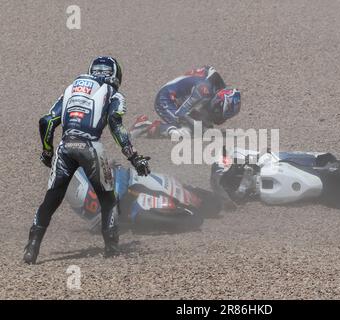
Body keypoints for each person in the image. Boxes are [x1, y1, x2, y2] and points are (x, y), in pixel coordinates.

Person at [23, 56, 151, 264]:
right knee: (108, 199)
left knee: (51, 199)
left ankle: (32, 248)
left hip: (65, 148)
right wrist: (134, 157)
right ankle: (111, 247)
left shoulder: (71, 88)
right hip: (91, 147)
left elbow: (46, 121)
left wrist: (47, 151)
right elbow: (115, 124)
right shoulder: (113, 93)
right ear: (115, 74)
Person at [130, 66, 241, 139]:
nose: (220, 118)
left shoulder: (216, 88)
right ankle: (145, 125)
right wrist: (197, 127)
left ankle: (156, 129)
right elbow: (181, 113)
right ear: (218, 102)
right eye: (219, 111)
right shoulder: (204, 90)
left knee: (200, 130)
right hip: (165, 99)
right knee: (183, 133)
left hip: (179, 99)